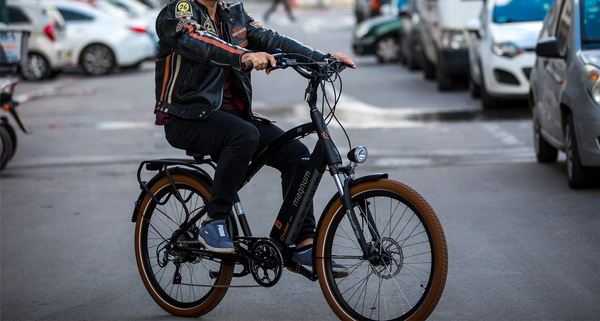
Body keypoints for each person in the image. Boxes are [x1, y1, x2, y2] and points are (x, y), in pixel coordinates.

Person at [154, 0, 355, 275]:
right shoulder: (179, 9)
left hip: (234, 117)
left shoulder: (232, 11)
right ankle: (214, 220)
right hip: (187, 117)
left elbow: (267, 37)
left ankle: (302, 244)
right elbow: (197, 39)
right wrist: (243, 56)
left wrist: (320, 58)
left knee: (297, 155)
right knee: (244, 135)